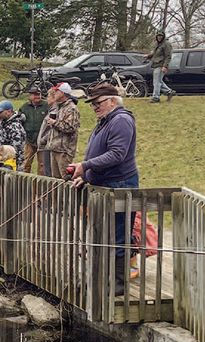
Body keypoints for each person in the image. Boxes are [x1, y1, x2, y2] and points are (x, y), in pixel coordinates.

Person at [70, 83, 139, 296]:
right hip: (104, 184)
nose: (94, 107)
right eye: (92, 104)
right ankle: (102, 280)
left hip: (119, 185)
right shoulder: (106, 121)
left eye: (98, 103)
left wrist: (85, 166)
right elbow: (98, 156)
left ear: (111, 100)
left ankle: (118, 285)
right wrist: (86, 176)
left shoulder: (121, 120)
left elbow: (117, 154)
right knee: (101, 235)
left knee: (117, 235)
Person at [48, 83, 81, 176]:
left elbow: (70, 127)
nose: (54, 93)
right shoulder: (59, 106)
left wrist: (54, 123)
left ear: (62, 93)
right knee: (55, 180)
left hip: (64, 151)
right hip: (55, 148)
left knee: (65, 179)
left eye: (57, 91)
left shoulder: (71, 108)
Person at [19, 87, 49, 174]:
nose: (37, 96)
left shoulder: (47, 106)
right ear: (30, 96)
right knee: (26, 163)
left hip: (43, 141)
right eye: (35, 94)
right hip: (29, 140)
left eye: (39, 94)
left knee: (42, 165)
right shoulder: (24, 107)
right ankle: (23, 183)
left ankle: (40, 185)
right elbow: (20, 122)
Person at [145, 31, 176, 103]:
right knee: (159, 81)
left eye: (161, 36)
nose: (159, 37)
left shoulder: (166, 44)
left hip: (161, 65)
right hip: (156, 65)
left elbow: (168, 56)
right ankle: (169, 92)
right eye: (158, 36)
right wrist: (148, 56)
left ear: (163, 36)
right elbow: (155, 53)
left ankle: (156, 97)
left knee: (156, 82)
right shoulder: (157, 44)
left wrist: (165, 66)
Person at [35, 88, 59, 177]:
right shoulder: (51, 110)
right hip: (46, 145)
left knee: (48, 172)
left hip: (49, 145)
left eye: (48, 96)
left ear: (54, 98)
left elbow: (52, 130)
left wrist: (42, 140)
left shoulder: (55, 112)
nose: (47, 98)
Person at [0, 100, 26, 164]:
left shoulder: (15, 126)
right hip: (1, 161)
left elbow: (16, 147)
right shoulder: (0, 125)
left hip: (13, 163)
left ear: (9, 111)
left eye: (0, 112)